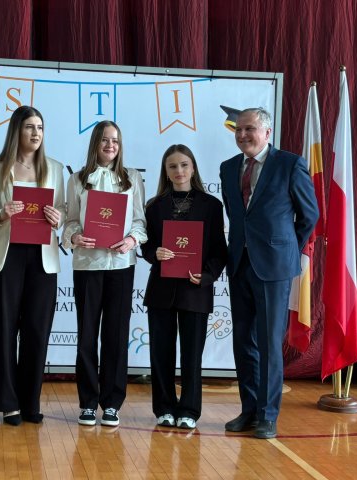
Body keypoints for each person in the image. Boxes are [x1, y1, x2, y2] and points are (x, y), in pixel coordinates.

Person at [219, 107, 319, 439]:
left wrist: (285, 248)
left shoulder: (290, 164)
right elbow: (236, 215)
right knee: (243, 342)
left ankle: (268, 415)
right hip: (239, 264)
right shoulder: (228, 167)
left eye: (249, 129)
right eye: (238, 129)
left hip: (274, 268)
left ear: (267, 132)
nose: (242, 135)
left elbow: (309, 215)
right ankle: (249, 411)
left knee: (269, 343)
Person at [63, 120, 147, 427]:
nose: (110, 145)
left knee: (116, 335)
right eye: (104, 140)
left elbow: (139, 221)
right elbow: (70, 221)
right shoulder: (77, 179)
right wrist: (74, 236)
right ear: (95, 144)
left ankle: (112, 403)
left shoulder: (132, 178)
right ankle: (87, 402)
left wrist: (132, 240)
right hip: (87, 265)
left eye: (115, 140)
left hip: (121, 266)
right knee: (87, 335)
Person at [0, 105, 65, 426]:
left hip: (42, 258)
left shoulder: (55, 168)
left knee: (37, 331)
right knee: (5, 330)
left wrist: (58, 218)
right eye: (30, 127)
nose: (36, 133)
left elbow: (63, 209)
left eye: (40, 127)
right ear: (16, 131)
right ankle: (9, 404)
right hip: (7, 256)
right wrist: (1, 214)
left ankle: (30, 402)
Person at [141, 144, 227, 430]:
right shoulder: (154, 206)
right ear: (165, 172)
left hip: (195, 288)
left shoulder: (212, 205)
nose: (179, 171)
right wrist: (155, 253)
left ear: (193, 168)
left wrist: (207, 275)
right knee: (161, 353)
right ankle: (164, 407)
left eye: (184, 165)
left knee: (192, 355)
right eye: (172, 166)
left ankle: (189, 409)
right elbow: (146, 246)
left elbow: (220, 250)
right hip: (161, 289)